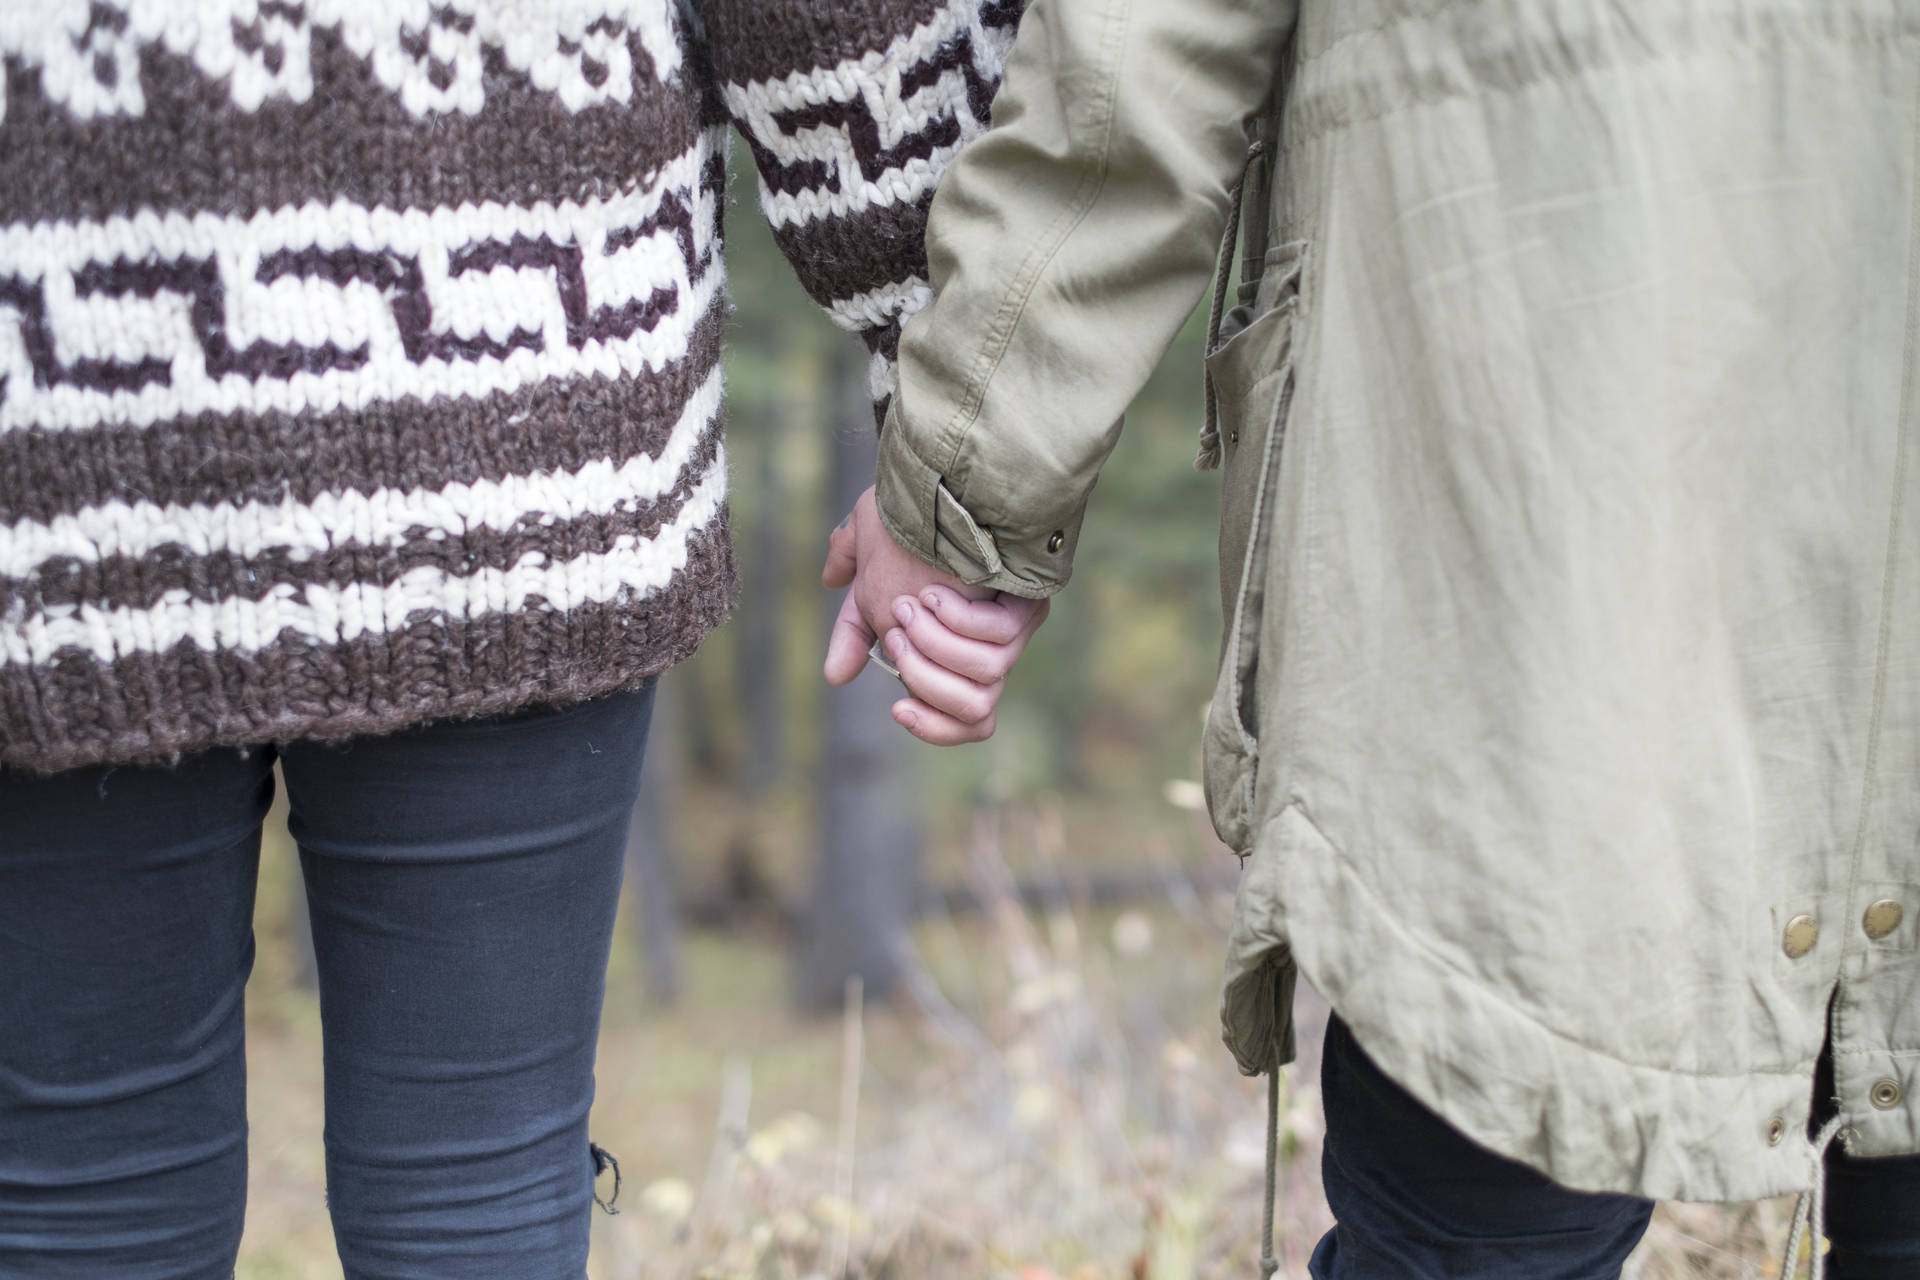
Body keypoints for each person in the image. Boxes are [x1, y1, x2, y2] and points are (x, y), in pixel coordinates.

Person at [828, 0, 1920, 1274]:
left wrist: (967, 480)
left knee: (1480, 1231)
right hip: (1529, 478)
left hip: (1520, 495)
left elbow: (1141, 55)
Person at [0, 1, 1043, 1274]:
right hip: (515, 411)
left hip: (46, 429)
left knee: (77, 1192)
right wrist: (945, 404)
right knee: (475, 1183)